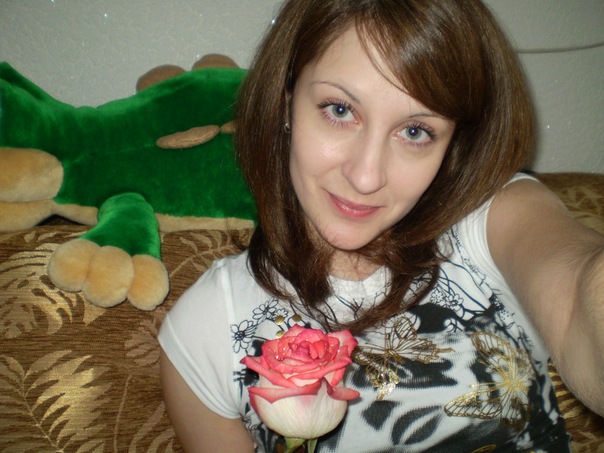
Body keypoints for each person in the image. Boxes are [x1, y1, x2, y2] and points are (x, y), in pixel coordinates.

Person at [158, 0, 604, 451]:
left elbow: (577, 299)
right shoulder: (210, 324)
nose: (366, 177)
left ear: (454, 142)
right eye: (339, 110)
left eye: (415, 131)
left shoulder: (495, 221)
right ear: (286, 101)